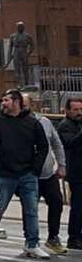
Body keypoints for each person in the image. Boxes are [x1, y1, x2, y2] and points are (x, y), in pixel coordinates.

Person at [0, 88, 51, 258]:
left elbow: (43, 146)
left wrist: (35, 169)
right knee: (0, 206)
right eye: (2, 100)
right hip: (5, 173)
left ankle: (32, 243)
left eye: (6, 100)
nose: (3, 103)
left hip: (28, 173)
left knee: (31, 209)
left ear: (16, 102)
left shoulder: (32, 123)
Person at [28, 93, 68, 254]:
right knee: (30, 208)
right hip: (29, 175)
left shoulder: (44, 122)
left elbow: (57, 144)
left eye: (25, 105)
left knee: (57, 203)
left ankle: (53, 237)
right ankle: (31, 240)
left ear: (31, 105)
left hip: (48, 173)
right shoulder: (15, 124)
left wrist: (62, 165)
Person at [59, 96, 82, 250]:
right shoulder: (65, 126)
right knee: (78, 206)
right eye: (75, 110)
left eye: (81, 109)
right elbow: (70, 142)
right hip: (77, 172)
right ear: (67, 111)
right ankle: (74, 237)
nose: (79, 112)